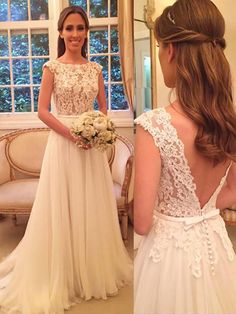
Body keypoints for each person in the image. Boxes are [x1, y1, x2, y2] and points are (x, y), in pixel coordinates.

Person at [0, 6, 132, 313]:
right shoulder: (51, 68)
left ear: (87, 33)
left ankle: (88, 269)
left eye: (80, 28)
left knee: (89, 206)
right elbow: (43, 111)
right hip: (63, 145)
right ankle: (64, 268)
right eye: (69, 28)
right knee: (64, 205)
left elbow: (102, 107)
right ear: (61, 33)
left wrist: (97, 130)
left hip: (90, 150)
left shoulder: (96, 70)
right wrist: (73, 134)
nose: (75, 34)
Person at [134, 0, 236, 313]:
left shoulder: (154, 125)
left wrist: (180, 213)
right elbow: (232, 191)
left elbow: (141, 221)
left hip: (170, 257)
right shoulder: (228, 120)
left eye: (160, 45)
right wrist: (200, 212)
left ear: (172, 51)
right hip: (214, 244)